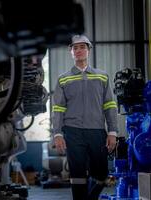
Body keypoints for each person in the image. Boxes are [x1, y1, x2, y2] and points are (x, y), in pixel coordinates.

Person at [51, 35, 118, 200]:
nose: (79, 50)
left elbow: (109, 105)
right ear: (71, 52)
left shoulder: (101, 76)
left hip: (96, 131)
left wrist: (113, 132)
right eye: (75, 48)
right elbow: (58, 108)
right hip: (72, 132)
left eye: (82, 47)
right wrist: (57, 133)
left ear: (88, 50)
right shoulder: (63, 79)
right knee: (78, 174)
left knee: (102, 175)